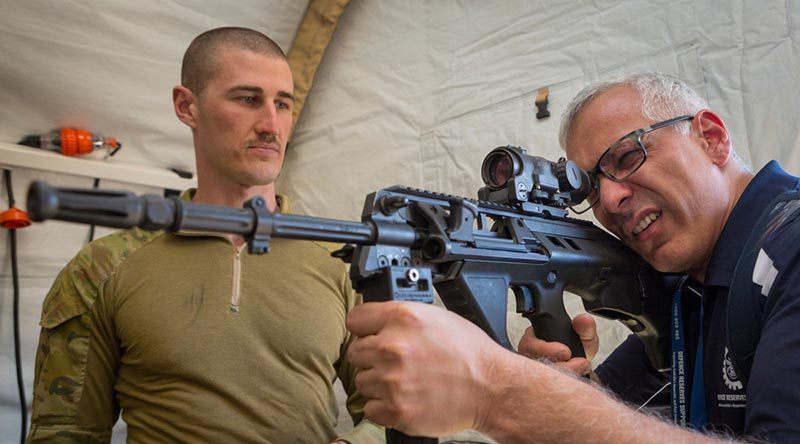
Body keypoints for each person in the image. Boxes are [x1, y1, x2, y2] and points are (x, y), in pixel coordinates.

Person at [344, 72, 800, 442]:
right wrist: (557, 389)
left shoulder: (789, 247)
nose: (612, 200)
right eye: (592, 189)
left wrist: (503, 392)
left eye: (626, 157)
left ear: (712, 138)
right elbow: (616, 410)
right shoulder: (689, 286)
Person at [27, 27, 382, 443]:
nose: (271, 124)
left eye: (282, 104)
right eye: (248, 99)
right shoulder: (102, 269)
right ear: (187, 106)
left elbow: (395, 413)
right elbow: (64, 432)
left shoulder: (344, 261)